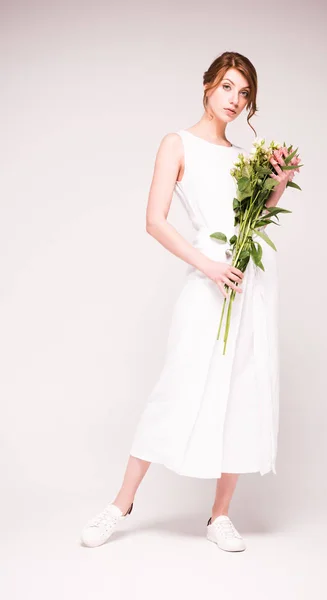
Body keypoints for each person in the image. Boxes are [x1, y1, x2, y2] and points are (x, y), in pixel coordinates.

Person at [80, 51, 300, 552]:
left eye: (244, 94)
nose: (235, 101)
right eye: (228, 87)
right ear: (207, 87)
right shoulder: (176, 143)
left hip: (248, 279)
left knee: (243, 390)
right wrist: (209, 267)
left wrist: (279, 183)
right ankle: (120, 504)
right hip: (209, 277)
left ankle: (220, 515)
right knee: (177, 385)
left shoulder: (245, 157)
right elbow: (155, 220)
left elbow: (250, 216)